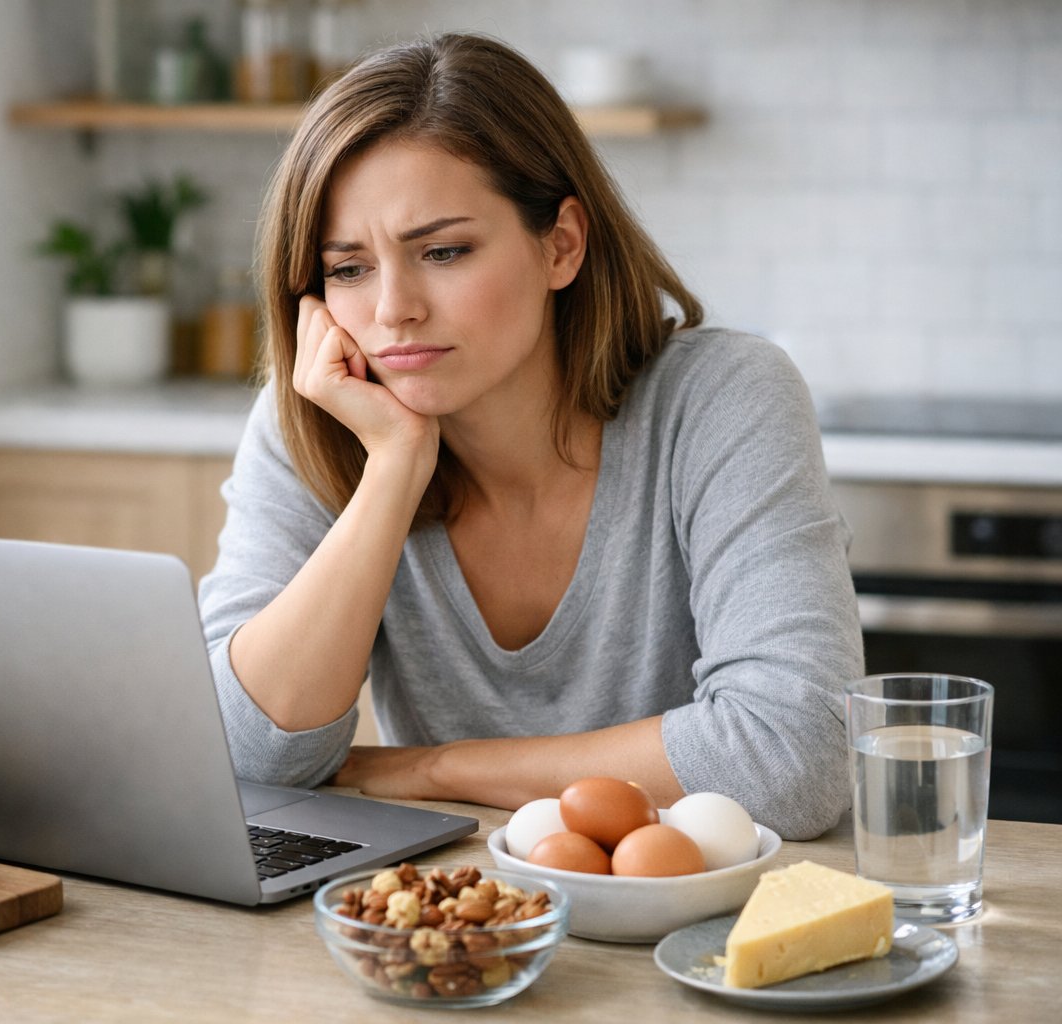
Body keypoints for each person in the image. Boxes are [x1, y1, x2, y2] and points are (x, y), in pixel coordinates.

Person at [196, 33, 862, 841]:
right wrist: (395, 469)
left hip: (712, 932)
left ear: (561, 245)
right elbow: (240, 754)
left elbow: (793, 761)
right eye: (348, 268)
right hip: (459, 929)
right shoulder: (318, 422)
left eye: (443, 251)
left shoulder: (722, 397)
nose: (392, 309)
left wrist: (439, 767)